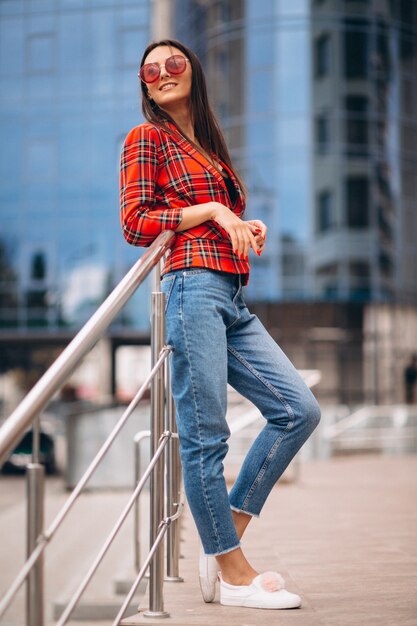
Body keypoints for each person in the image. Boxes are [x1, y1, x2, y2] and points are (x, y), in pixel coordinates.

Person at [120, 39, 321, 610]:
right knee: (207, 434)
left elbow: (214, 215)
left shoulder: (206, 145)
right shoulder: (146, 139)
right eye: (150, 69)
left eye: (173, 64)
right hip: (191, 288)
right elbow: (136, 223)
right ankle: (233, 575)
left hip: (230, 295)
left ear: (194, 72)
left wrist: (242, 225)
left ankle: (223, 538)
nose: (161, 74)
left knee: (298, 409)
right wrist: (213, 212)